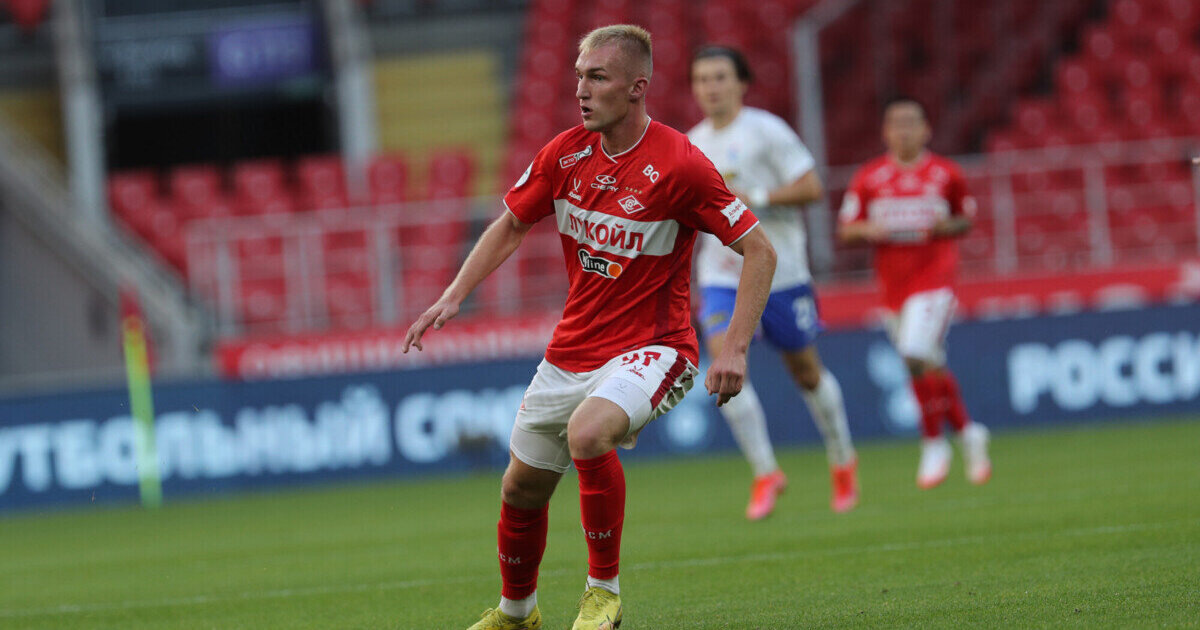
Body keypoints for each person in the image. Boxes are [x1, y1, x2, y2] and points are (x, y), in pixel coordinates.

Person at [403, 25, 776, 630]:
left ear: (636, 87)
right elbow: (511, 224)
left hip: (655, 347)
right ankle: (517, 614)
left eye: (597, 77)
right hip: (571, 350)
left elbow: (760, 250)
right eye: (578, 76)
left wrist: (733, 348)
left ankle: (604, 593)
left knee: (588, 433)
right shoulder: (565, 153)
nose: (580, 90)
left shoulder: (680, 164)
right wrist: (453, 295)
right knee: (520, 488)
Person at [687, 46, 859, 518]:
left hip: (780, 272)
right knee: (722, 365)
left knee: (806, 372)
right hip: (721, 274)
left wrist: (755, 196)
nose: (711, 87)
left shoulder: (767, 131)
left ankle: (842, 457)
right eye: (702, 79)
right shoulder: (691, 144)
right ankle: (765, 472)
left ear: (741, 82)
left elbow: (812, 188)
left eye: (720, 77)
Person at [837, 96, 991, 489]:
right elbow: (847, 228)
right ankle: (969, 433)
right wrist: (867, 229)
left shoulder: (946, 173)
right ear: (886, 131)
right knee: (926, 362)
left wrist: (944, 227)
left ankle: (933, 443)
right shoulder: (870, 178)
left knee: (914, 352)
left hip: (936, 279)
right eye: (897, 123)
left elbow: (965, 220)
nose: (904, 131)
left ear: (926, 130)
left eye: (911, 123)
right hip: (893, 287)